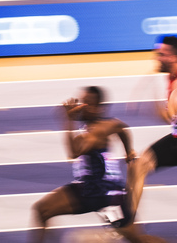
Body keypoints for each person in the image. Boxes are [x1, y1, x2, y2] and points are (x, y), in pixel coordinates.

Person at [31, 86, 152, 243]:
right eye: (81, 101)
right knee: (42, 210)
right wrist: (128, 152)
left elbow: (74, 152)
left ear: (98, 109)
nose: (80, 106)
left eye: (86, 103)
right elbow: (122, 128)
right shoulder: (109, 123)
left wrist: (67, 120)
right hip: (87, 188)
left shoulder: (95, 132)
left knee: (138, 239)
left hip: (104, 196)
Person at [127, 35, 177, 219]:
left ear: (173, 57)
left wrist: (158, 105)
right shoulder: (171, 76)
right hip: (175, 138)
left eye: (161, 54)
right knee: (138, 166)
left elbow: (171, 116)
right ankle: (127, 225)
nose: (156, 57)